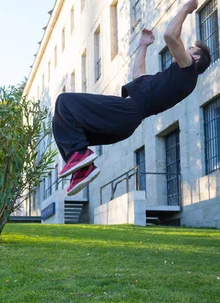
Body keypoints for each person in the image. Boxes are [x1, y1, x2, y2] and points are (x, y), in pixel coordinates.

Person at [53, 0, 211, 196]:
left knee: (64, 102)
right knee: (62, 121)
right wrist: (143, 46)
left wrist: (188, 7)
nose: (184, 49)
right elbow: (139, 75)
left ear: (195, 58)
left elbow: (170, 35)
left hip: (125, 112)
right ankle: (81, 167)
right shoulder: (169, 81)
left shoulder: (188, 73)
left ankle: (80, 156)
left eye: (189, 49)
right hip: (124, 122)